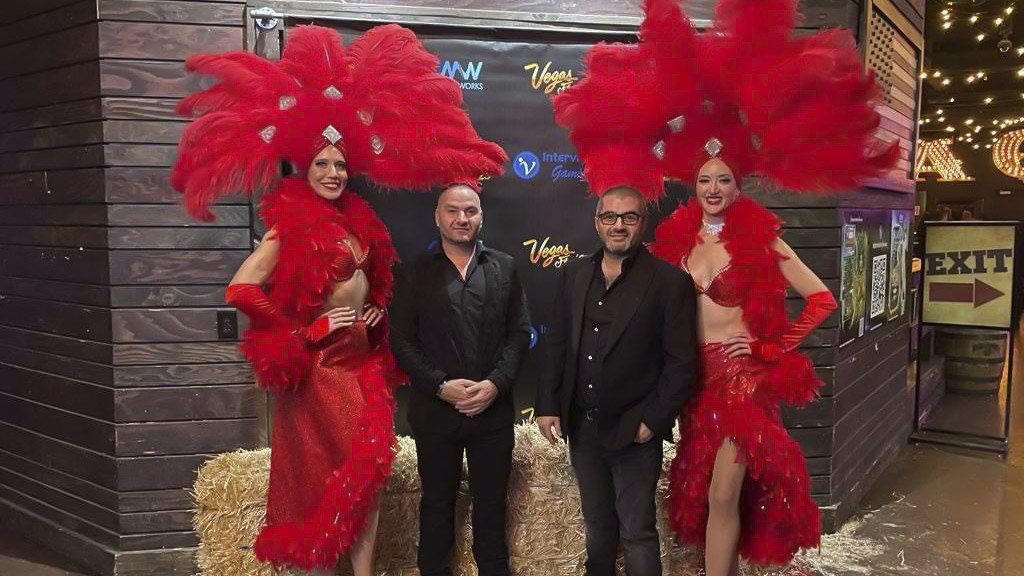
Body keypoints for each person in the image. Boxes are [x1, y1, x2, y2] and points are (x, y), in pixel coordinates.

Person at [549, 1, 898, 574]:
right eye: (705, 179)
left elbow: (822, 299)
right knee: (701, 494)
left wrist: (772, 348)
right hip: (694, 384)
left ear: (739, 185)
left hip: (742, 383)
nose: (713, 188)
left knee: (722, 493)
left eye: (724, 180)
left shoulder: (763, 239)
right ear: (694, 183)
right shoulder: (674, 244)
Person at [171, 25, 505, 575]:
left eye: (341, 164)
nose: (333, 173)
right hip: (319, 372)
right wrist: (304, 332)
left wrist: (375, 314)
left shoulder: (359, 223)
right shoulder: (289, 225)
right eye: (322, 163)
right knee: (321, 488)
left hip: (361, 364)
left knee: (366, 480)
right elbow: (241, 288)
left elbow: (369, 285)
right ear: (305, 167)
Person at [535, 183, 698, 576]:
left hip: (634, 430)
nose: (618, 225)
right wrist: (548, 404)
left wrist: (652, 422)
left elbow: (681, 364)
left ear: (643, 222)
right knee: (597, 526)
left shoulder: (669, 282)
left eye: (628, 217)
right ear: (597, 222)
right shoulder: (574, 274)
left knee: (638, 531)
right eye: (610, 216)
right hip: (583, 427)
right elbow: (556, 344)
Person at [389, 183, 531, 576]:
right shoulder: (413, 272)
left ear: (481, 216)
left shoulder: (505, 267)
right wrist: (440, 386)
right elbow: (401, 341)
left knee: (492, 508)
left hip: (492, 414)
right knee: (436, 506)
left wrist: (495, 384)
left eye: (470, 211)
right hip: (435, 414)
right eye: (452, 210)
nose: (461, 218)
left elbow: (520, 334)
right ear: (437, 217)